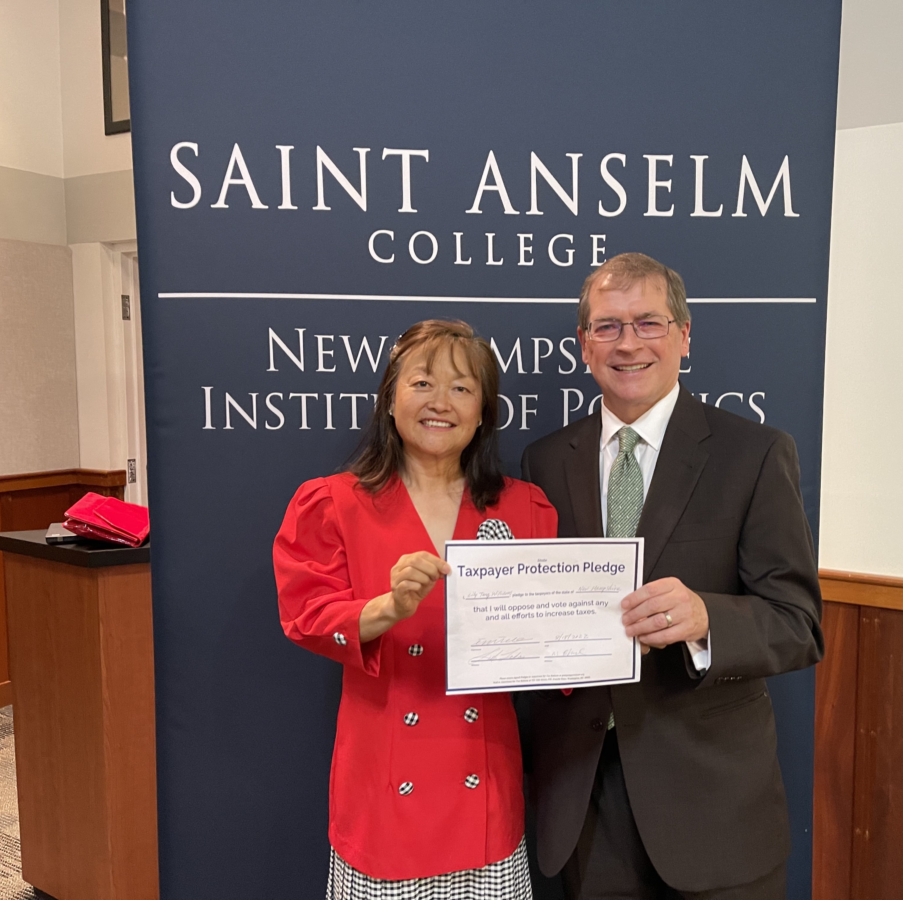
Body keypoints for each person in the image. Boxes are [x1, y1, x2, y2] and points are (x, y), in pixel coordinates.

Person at [520, 253, 824, 900]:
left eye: (648, 323)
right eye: (607, 326)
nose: (627, 343)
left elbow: (798, 624)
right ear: (584, 345)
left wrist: (708, 619)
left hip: (713, 808)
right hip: (586, 803)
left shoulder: (755, 454)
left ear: (684, 336)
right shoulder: (544, 461)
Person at [274, 319, 558, 899]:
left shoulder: (525, 507)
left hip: (483, 785)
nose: (440, 402)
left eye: (462, 388)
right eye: (423, 383)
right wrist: (389, 607)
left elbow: (552, 634)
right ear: (390, 398)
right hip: (382, 788)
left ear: (483, 412)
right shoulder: (334, 502)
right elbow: (306, 616)